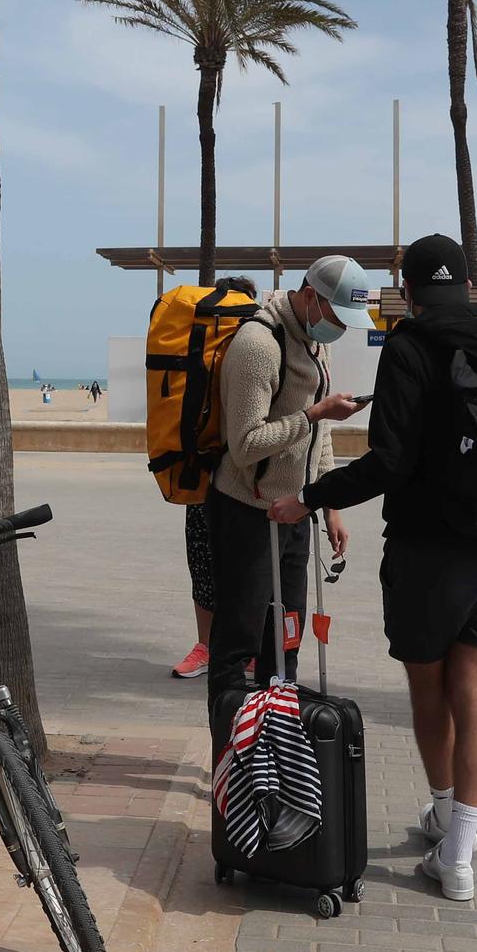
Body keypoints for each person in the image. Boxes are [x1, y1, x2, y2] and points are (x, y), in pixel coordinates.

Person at [271, 234, 477, 903]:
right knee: (473, 695)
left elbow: (388, 464)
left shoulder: (410, 346)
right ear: (469, 284)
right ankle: (460, 852)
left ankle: (447, 815)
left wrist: (311, 498)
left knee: (428, 692)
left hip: (424, 550)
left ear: (407, 289)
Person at [204, 255, 370, 750]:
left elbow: (319, 439)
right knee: (238, 645)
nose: (340, 327)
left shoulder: (317, 344)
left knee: (287, 637)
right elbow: (246, 444)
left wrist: (330, 504)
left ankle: (279, 754)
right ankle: (227, 762)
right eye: (337, 315)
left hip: (294, 512)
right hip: (245, 512)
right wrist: (314, 410)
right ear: (312, 296)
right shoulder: (258, 343)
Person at [170, 276, 261, 681]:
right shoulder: (203, 349)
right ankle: (206, 646)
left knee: (255, 568)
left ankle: (255, 651)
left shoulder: (263, 347)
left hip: (250, 477)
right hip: (205, 471)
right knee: (203, 563)